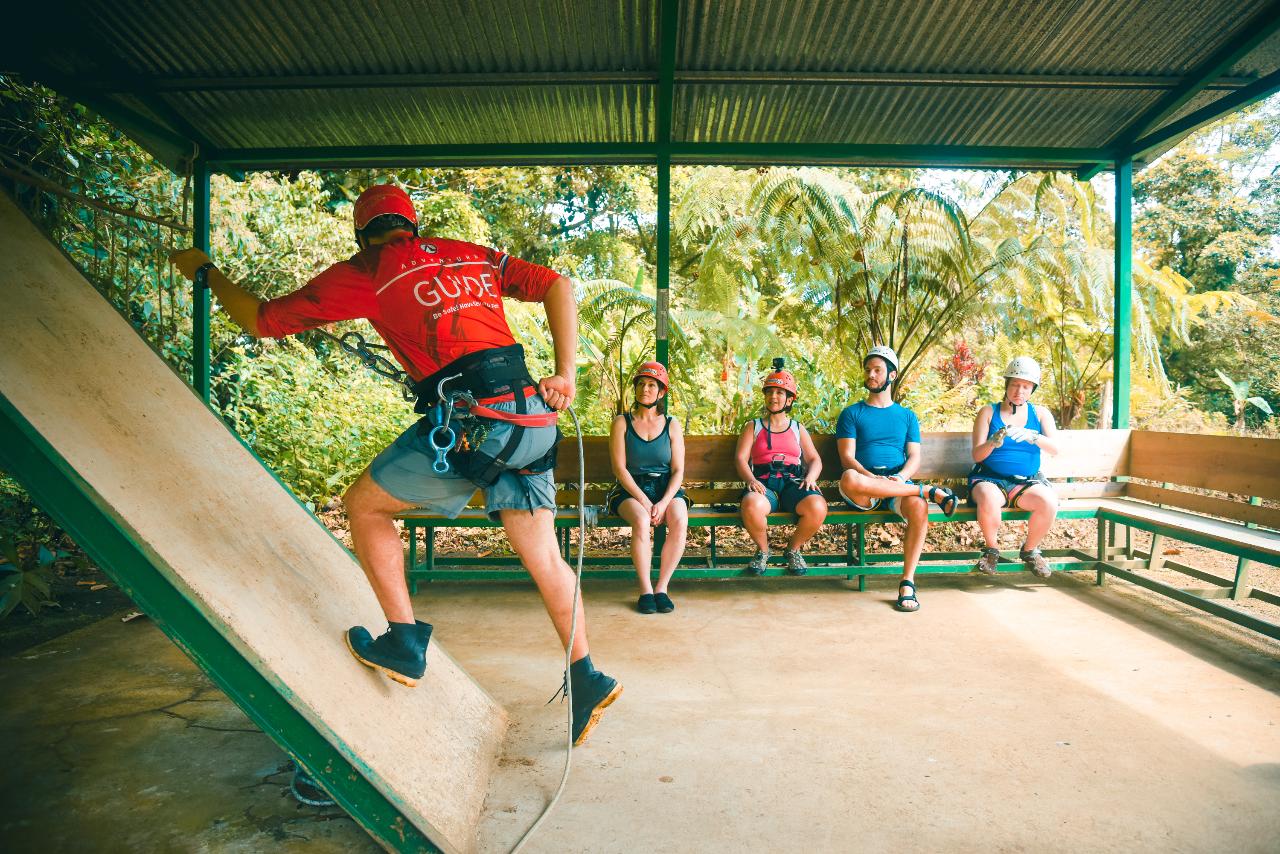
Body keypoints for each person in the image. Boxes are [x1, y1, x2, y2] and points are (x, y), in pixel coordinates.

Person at [170, 184, 619, 746]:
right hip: (534, 418)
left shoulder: (366, 272)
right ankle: (587, 675)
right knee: (546, 560)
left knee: (365, 506)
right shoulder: (465, 251)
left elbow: (259, 320)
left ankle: (405, 642)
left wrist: (207, 272)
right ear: (414, 224)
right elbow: (557, 283)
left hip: (477, 425)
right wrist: (566, 372)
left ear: (363, 233)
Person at [836, 345, 958, 612]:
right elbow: (847, 457)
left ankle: (907, 583)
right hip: (863, 488)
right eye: (868, 370)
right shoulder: (852, 413)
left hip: (898, 487)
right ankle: (926, 490)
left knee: (918, 506)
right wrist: (875, 480)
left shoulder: (906, 416)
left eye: (877, 370)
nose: (871, 374)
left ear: (891, 375)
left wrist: (900, 479)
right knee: (849, 477)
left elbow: (914, 457)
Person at [606, 362, 689, 614]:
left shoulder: (672, 424)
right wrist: (644, 500)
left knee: (679, 518)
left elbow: (678, 471)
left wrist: (664, 502)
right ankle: (645, 590)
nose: (645, 389)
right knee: (642, 520)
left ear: (661, 392)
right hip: (631, 489)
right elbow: (619, 469)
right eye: (641, 384)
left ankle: (661, 588)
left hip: (666, 488)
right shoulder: (622, 422)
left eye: (652, 385)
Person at [969, 356, 1061, 578]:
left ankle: (1030, 550)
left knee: (1048, 501)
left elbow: (1055, 448)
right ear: (1007, 385)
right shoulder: (988, 412)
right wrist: (992, 443)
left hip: (1026, 481)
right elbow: (976, 455)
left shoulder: (1040, 414)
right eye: (1015, 385)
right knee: (988, 497)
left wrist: (1034, 436)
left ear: (1032, 389)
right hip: (990, 479)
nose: (1019, 390)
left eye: (1026, 386)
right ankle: (992, 551)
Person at [735, 360, 828, 576]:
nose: (773, 396)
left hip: (792, 485)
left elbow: (815, 459)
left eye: (779, 392)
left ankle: (793, 550)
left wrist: (812, 477)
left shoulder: (797, 428)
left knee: (818, 506)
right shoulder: (753, 426)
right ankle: (763, 551)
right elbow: (741, 459)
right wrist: (751, 480)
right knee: (750, 504)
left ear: (789, 399)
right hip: (764, 485)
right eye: (770, 392)